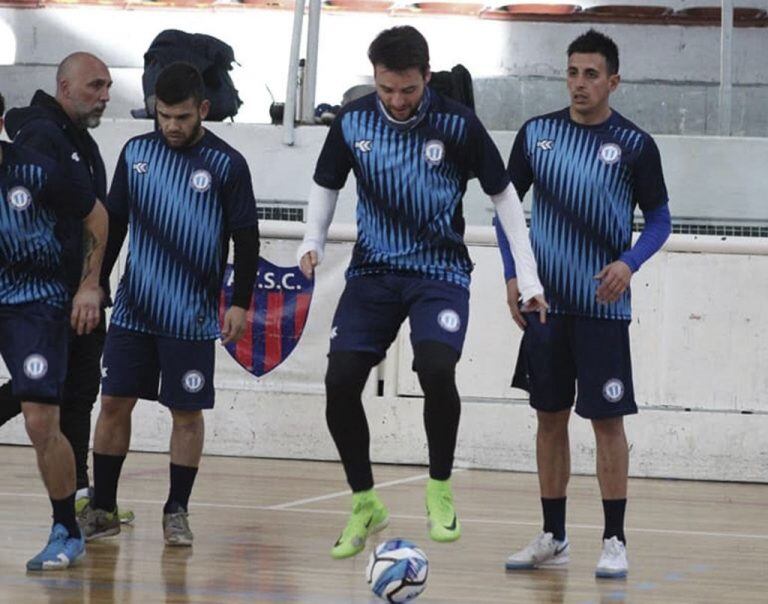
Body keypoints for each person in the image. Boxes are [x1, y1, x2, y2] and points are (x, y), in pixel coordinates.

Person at [297, 25, 548, 560]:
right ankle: (365, 502)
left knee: (435, 368)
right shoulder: (354, 120)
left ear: (426, 78)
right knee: (340, 381)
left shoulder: (459, 125)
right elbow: (326, 183)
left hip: (440, 272)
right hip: (372, 272)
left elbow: (504, 198)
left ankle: (439, 488)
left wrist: (527, 279)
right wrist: (312, 240)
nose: (396, 100)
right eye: (386, 89)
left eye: (407, 90)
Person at [497, 29, 671, 579]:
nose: (579, 83)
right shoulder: (537, 134)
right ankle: (553, 535)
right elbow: (505, 206)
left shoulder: (637, 145)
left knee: (607, 423)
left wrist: (629, 262)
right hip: (546, 309)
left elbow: (661, 220)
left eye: (591, 74)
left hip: (602, 312)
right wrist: (514, 275)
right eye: (572, 72)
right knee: (549, 420)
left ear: (613, 81)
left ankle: (615, 539)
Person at [78, 62, 260, 547]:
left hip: (193, 317)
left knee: (186, 413)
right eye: (163, 116)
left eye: (181, 117)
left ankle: (177, 510)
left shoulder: (227, 164)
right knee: (114, 402)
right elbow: (112, 225)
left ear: (202, 110)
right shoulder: (136, 153)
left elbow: (246, 238)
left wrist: (240, 302)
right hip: (136, 311)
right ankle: (102, 509)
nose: (172, 126)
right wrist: (92, 283)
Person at [1, 52, 134, 523]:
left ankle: (78, 493)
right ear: (64, 87)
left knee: (69, 391)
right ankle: (75, 496)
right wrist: (82, 286)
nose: (105, 96)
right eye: (95, 86)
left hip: (74, 291)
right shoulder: (41, 135)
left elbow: (96, 215)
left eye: (107, 86)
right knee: (53, 394)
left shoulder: (76, 137)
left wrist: (93, 284)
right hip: (44, 295)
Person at [0, 91, 108, 569]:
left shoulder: (36, 168)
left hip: (35, 304)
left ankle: (66, 528)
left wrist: (89, 285)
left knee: (41, 419)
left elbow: (97, 215)